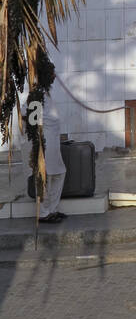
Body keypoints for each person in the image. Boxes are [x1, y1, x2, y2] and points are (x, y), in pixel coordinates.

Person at [30, 84, 67, 224]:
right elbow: (31, 121)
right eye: (51, 73)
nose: (53, 77)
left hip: (54, 143)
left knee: (59, 173)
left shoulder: (46, 93)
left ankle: (53, 209)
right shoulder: (36, 95)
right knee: (45, 176)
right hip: (44, 143)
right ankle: (44, 213)